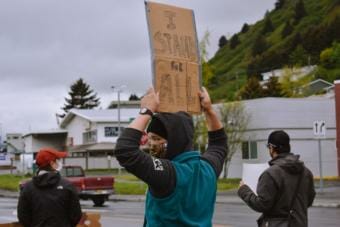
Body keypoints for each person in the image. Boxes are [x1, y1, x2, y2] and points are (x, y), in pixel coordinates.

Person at [115, 87, 227, 227]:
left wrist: (146, 111)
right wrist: (209, 110)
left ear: (175, 140)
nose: (151, 144)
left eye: (156, 139)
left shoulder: (169, 175)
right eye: (149, 139)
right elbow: (219, 144)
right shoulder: (208, 168)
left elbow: (125, 150)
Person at [238, 130, 315, 227]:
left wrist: (244, 190)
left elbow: (262, 204)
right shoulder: (306, 172)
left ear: (271, 148)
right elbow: (309, 201)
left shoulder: (270, 173)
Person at [17, 147, 82, 227]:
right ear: (52, 164)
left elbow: (23, 217)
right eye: (58, 160)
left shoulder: (27, 188)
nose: (60, 163)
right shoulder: (67, 186)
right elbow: (76, 215)